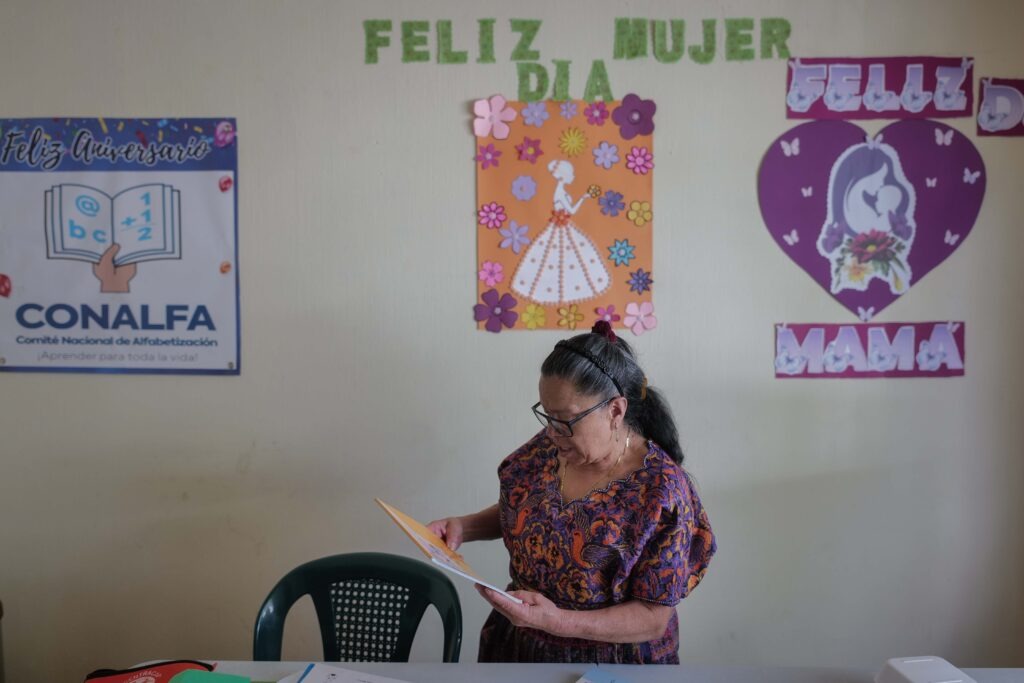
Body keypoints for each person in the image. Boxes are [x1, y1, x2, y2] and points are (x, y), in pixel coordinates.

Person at [428, 321, 715, 664]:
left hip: (611, 664)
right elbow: (528, 507)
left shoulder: (662, 491)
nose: (552, 432)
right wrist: (465, 527)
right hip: (521, 649)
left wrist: (557, 621)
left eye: (564, 419)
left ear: (615, 410)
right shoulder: (552, 448)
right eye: (547, 415)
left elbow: (653, 619)